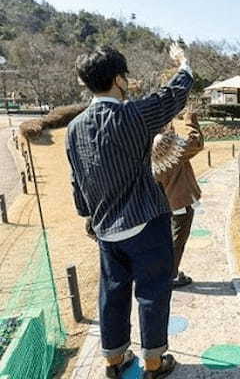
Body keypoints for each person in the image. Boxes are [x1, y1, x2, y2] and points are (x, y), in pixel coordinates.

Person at [66, 43, 193, 379]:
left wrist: (88, 217)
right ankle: (153, 363)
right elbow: (173, 95)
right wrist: (183, 62)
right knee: (152, 291)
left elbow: (77, 181)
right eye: (126, 76)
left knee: (113, 293)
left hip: (106, 229)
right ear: (119, 79)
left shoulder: (74, 128)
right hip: (145, 223)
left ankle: (114, 360)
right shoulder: (133, 115)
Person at [152, 110, 204, 288]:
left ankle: (164, 271)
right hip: (179, 201)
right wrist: (191, 122)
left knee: (165, 238)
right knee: (178, 239)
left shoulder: (147, 143)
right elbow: (196, 143)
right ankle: (171, 276)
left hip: (161, 202)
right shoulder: (166, 143)